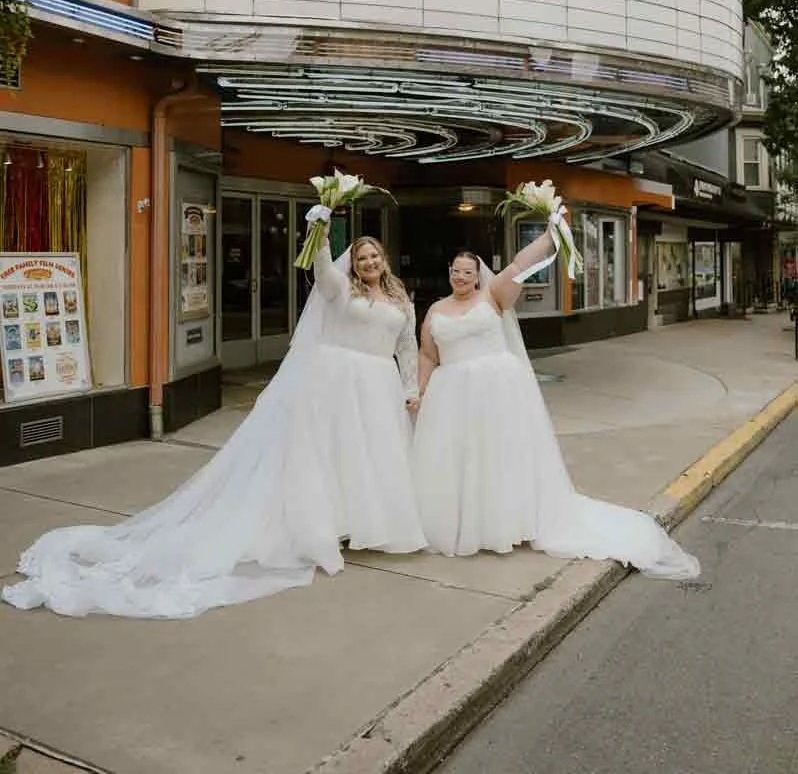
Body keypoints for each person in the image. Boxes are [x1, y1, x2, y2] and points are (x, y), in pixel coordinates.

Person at [2, 233, 426, 618]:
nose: (368, 262)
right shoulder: (340, 288)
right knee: (330, 454)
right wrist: (322, 235)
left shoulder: (399, 297)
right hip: (337, 382)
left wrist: (411, 387)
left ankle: (363, 523)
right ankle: (329, 526)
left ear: (384, 259)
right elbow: (323, 274)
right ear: (353, 263)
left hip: (378, 383)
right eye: (361, 257)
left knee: (368, 455)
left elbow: (407, 347)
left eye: (374, 256)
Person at [412, 224, 700, 580]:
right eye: (455, 271)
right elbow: (427, 354)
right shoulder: (436, 310)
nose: (460, 277)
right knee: (460, 457)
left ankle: (506, 521)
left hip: (495, 391)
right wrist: (419, 390)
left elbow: (520, 264)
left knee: (498, 456)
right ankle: (464, 523)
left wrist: (550, 234)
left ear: (477, 276)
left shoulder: (493, 295)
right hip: (452, 394)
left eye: (467, 272)